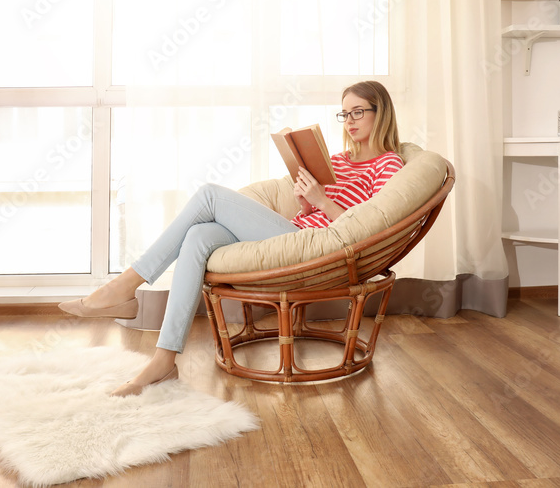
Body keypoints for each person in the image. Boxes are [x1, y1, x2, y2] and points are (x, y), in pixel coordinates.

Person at [58, 80, 404, 397]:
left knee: (209, 194)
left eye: (359, 111)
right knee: (198, 234)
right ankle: (163, 361)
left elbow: (364, 231)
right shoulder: (338, 161)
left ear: (381, 112)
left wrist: (321, 201)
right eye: (345, 113)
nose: (349, 120)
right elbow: (317, 211)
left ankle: (123, 288)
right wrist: (305, 202)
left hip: (321, 250)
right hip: (298, 233)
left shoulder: (388, 165)